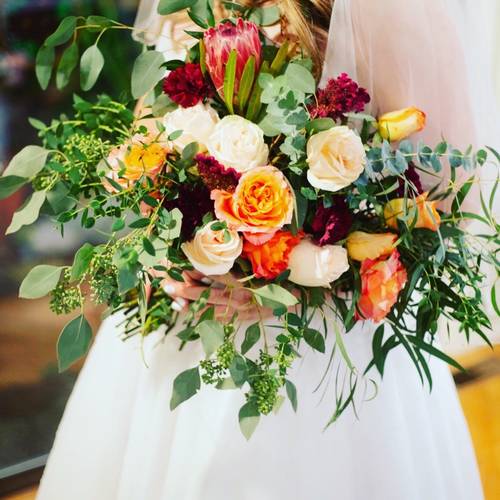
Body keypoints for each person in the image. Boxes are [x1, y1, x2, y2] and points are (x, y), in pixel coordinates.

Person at [37, 1, 494, 498]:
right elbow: (157, 132)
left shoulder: (390, 11)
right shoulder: (186, 4)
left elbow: (447, 204)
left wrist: (290, 281)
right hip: (186, 324)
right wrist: (163, 248)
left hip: (319, 353)